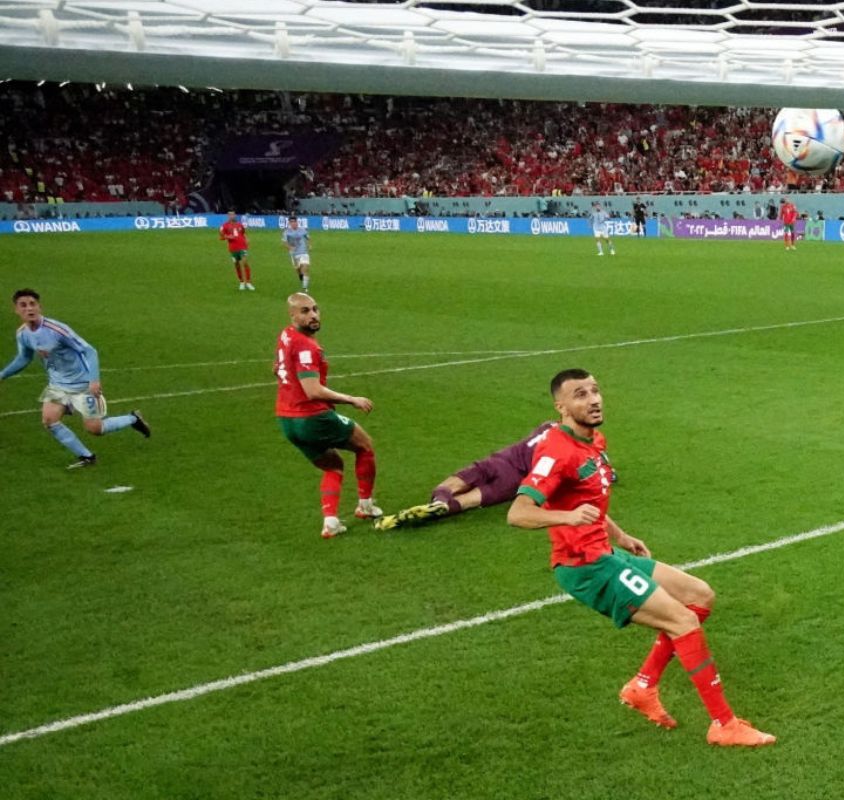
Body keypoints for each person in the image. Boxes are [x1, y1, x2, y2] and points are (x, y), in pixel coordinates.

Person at [506, 369, 776, 747]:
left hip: (605, 551)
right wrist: (566, 517)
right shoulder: (557, 450)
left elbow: (587, 495)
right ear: (561, 406)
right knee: (682, 621)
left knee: (699, 595)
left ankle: (642, 687)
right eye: (580, 394)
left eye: (596, 391)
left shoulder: (591, 440)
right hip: (586, 567)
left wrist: (620, 535)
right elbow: (519, 512)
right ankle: (724, 725)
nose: (594, 399)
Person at [0, 289, 150, 468]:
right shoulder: (23, 334)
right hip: (58, 385)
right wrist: (2, 375)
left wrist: (94, 380)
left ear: (39, 307)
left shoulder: (57, 330)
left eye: (32, 304)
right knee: (49, 420)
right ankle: (87, 457)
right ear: (16, 310)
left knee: (95, 429)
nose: (29, 308)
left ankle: (133, 418)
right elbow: (24, 357)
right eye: (23, 305)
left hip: (82, 385)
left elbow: (90, 351)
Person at [275, 293, 383, 538]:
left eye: (315, 309)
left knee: (332, 466)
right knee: (364, 446)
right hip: (311, 417)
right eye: (304, 311)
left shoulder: (286, 335)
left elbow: (277, 367)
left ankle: (331, 522)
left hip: (286, 421)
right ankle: (365, 505)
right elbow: (313, 391)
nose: (312, 315)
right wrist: (352, 399)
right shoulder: (306, 345)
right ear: (292, 315)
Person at [374, 421, 558, 530]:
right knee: (468, 501)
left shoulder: (547, 425)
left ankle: (439, 500)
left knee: (452, 484)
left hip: (500, 461)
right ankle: (448, 508)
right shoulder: (564, 446)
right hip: (514, 481)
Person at [219, 210, 255, 291]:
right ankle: (242, 282)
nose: (232, 216)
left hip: (242, 247)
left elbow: (243, 233)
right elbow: (221, 237)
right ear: (228, 216)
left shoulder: (240, 225)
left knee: (245, 262)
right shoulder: (224, 226)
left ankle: (248, 282)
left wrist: (247, 239)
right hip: (233, 248)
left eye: (233, 214)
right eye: (230, 215)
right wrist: (228, 237)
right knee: (237, 265)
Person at [282, 216, 312, 291]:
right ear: (289, 223)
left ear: (297, 222)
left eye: (294, 222)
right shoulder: (286, 232)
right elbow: (284, 243)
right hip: (294, 254)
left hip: (303, 252)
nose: (293, 224)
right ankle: (300, 275)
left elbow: (308, 238)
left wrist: (310, 245)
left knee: (305, 268)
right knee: (298, 269)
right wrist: (289, 247)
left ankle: (305, 288)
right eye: (291, 222)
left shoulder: (302, 230)